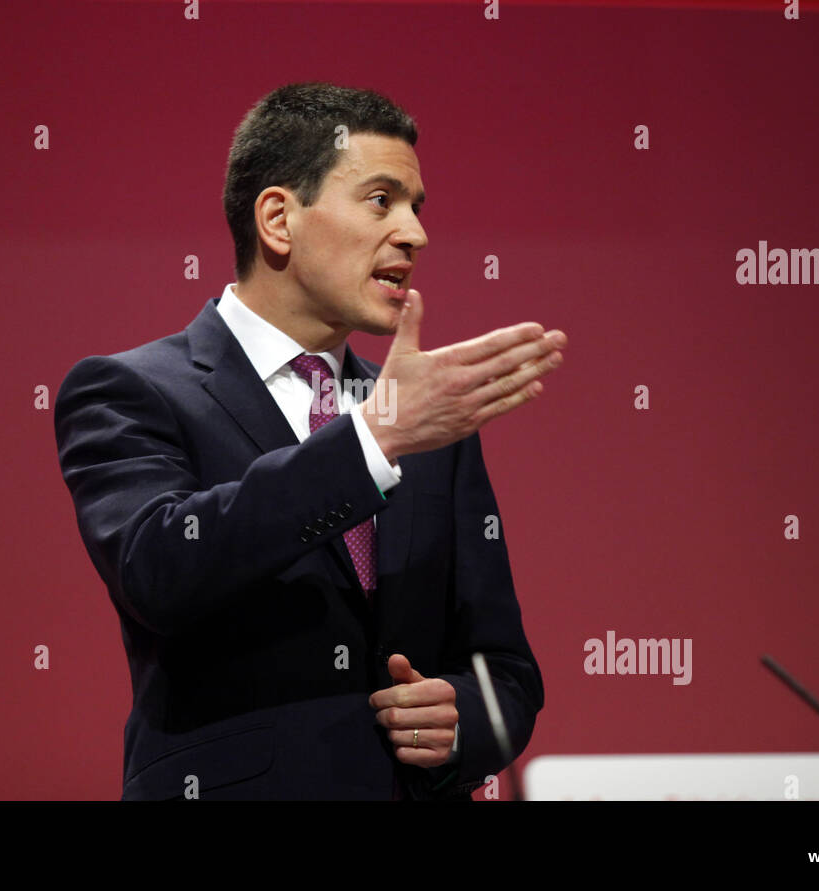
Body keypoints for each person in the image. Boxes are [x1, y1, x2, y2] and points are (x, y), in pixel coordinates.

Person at [54, 82, 567, 800]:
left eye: (418, 208)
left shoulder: (428, 428)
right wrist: (371, 436)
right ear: (278, 219)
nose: (415, 234)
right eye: (382, 200)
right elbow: (159, 570)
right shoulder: (130, 391)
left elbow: (505, 672)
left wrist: (460, 721)